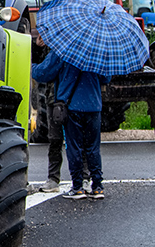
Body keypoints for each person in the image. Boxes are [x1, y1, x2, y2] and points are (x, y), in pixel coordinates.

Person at [31, 47, 107, 200]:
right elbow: (105, 78)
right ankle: (97, 186)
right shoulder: (98, 50)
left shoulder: (64, 49)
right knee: (93, 147)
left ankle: (77, 187)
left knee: (74, 146)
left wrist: (31, 65)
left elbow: (43, 73)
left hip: (72, 105)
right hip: (94, 105)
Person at [31, 29, 65, 192]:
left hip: (61, 97)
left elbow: (43, 71)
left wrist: (32, 67)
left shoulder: (59, 48)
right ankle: (84, 179)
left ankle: (55, 178)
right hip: (59, 97)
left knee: (58, 139)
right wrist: (38, 47)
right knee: (58, 139)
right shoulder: (53, 46)